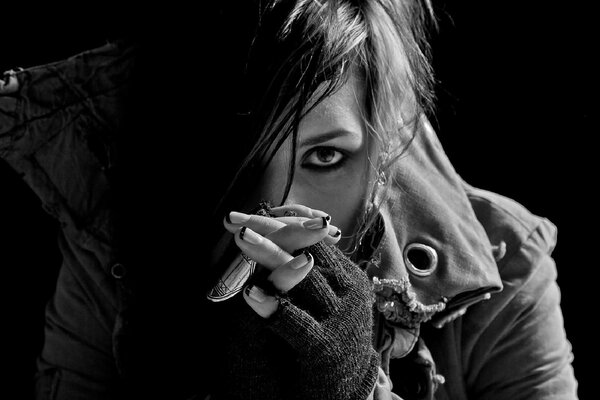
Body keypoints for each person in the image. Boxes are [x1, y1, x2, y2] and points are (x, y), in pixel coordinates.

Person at [0, 0, 579, 399]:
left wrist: (357, 390)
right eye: (241, 162)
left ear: (382, 153)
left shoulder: (508, 263)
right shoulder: (112, 258)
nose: (277, 211)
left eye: (325, 157)